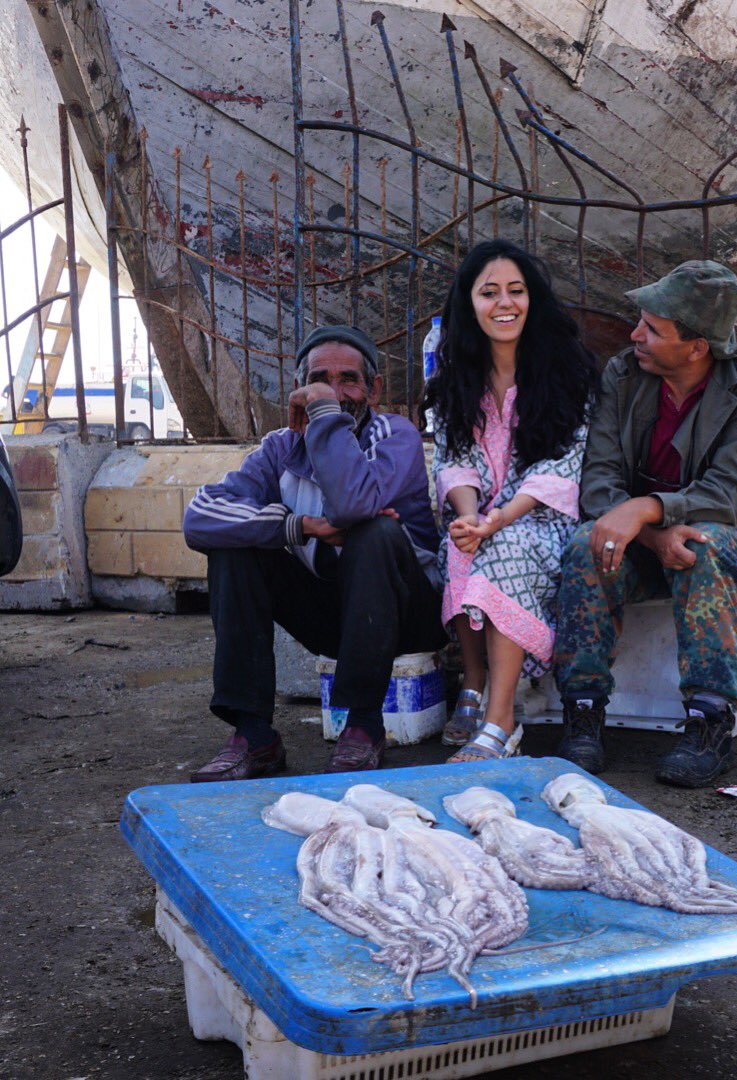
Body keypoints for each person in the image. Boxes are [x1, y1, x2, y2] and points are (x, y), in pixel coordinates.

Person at [183, 325, 445, 781]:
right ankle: (254, 735)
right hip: (335, 618)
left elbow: (352, 504)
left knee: (375, 532)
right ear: (299, 389)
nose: (336, 391)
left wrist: (324, 412)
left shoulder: (394, 435)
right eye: (321, 380)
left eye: (348, 380)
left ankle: (364, 726)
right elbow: (200, 517)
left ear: (373, 389)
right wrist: (298, 526)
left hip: (409, 614)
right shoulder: (281, 448)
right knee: (235, 547)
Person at [553, 260, 737, 788]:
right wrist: (648, 532)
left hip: (718, 530)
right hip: (640, 541)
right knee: (590, 541)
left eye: (653, 329)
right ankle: (582, 713)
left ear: (697, 347)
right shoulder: (624, 374)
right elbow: (599, 478)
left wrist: (649, 508)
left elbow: (732, 492)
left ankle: (708, 722)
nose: (636, 336)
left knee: (707, 545)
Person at [424, 239, 599, 763]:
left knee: (505, 547)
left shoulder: (569, 371)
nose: (505, 304)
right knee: (459, 544)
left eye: (516, 291)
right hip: (485, 514)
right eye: (489, 292)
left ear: (533, 299)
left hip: (545, 519)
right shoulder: (454, 376)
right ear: (470, 304)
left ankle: (502, 723)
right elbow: (450, 459)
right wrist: (470, 513)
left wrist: (500, 518)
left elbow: (562, 467)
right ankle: (474, 683)